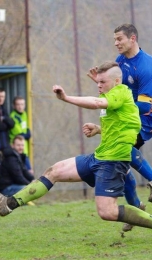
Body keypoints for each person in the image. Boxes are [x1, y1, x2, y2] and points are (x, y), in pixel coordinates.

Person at [0, 61, 152, 231]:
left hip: (113, 162)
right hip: (100, 157)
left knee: (107, 212)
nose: (99, 85)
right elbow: (120, 125)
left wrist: (66, 98)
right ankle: (8, 203)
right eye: (98, 82)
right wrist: (98, 129)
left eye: (103, 82)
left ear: (117, 81)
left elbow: (96, 103)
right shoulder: (113, 97)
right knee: (54, 171)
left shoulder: (121, 93)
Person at [87, 24, 152, 231]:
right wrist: (102, 84)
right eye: (114, 39)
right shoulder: (120, 62)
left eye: (119, 39)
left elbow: (144, 105)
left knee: (124, 152)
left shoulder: (145, 67)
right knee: (120, 162)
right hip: (125, 119)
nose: (116, 43)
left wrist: (119, 103)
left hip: (143, 120)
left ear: (132, 38)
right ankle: (136, 210)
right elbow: (116, 90)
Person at [9, 96, 33, 173]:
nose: (20, 106)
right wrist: (26, 134)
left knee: (30, 172)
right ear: (14, 105)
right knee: (23, 173)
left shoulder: (24, 114)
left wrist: (27, 133)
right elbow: (20, 134)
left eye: (22, 104)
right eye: (18, 104)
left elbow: (27, 129)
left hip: (24, 150)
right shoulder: (12, 116)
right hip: (16, 151)